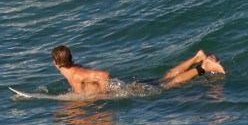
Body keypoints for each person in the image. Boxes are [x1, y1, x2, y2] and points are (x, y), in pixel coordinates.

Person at [51, 45, 226, 96]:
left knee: (170, 84)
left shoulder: (75, 73)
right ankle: (197, 57)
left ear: (56, 62)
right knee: (164, 78)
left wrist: (104, 94)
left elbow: (103, 75)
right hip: (124, 86)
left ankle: (203, 67)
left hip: (126, 89)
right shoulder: (68, 69)